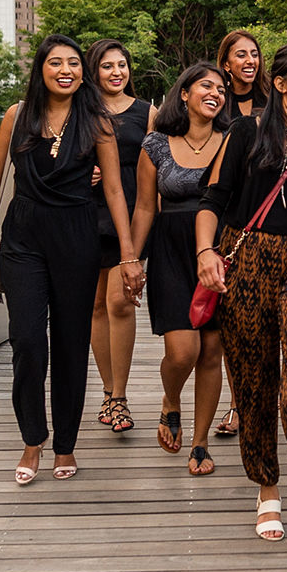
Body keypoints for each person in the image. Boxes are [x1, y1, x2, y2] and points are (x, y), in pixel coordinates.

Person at [0, 35, 144, 485]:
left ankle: (65, 443)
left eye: (73, 63)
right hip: (23, 236)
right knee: (27, 340)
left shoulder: (98, 122)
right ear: (41, 69)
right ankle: (33, 438)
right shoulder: (18, 115)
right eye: (55, 62)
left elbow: (113, 191)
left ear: (82, 72)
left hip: (77, 235)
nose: (65, 69)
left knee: (70, 343)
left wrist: (128, 256)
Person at [195, 43, 287, 561]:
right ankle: (267, 487)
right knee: (255, 381)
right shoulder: (245, 132)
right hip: (248, 258)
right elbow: (213, 199)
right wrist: (205, 252)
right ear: (280, 82)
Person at [130, 63, 230, 476]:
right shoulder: (154, 144)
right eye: (206, 85)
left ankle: (200, 442)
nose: (216, 93)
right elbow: (143, 207)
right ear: (184, 94)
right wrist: (132, 259)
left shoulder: (232, 141)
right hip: (170, 250)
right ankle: (171, 399)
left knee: (211, 350)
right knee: (182, 350)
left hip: (221, 252)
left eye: (221, 89)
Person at [84, 38, 155, 435]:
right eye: (108, 66)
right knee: (95, 305)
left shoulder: (147, 112)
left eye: (122, 65)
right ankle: (108, 391)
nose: (117, 72)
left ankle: (122, 396)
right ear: (94, 71)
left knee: (120, 301)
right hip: (86, 211)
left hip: (131, 211)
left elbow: (159, 159)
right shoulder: (82, 110)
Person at [210, 30, 271, 438]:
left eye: (254, 54)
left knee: (264, 323)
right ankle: (236, 404)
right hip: (225, 217)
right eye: (240, 55)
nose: (249, 61)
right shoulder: (215, 104)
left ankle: (265, 399)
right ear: (226, 63)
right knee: (232, 320)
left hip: (269, 216)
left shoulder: (276, 103)